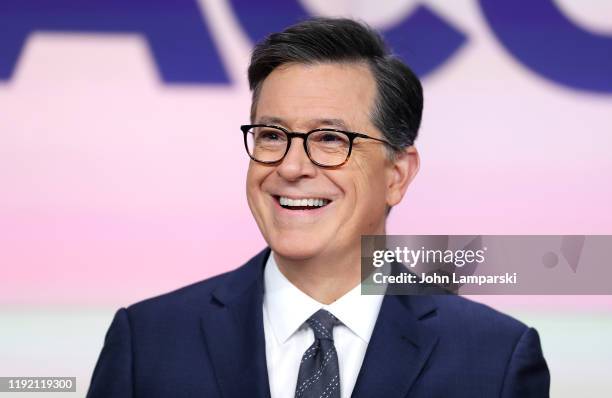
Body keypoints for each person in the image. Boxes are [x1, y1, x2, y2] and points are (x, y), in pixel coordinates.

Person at [87, 17, 549, 398]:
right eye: (272, 136)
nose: (291, 167)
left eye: (330, 139)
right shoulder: (149, 342)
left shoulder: (494, 360)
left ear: (397, 174)